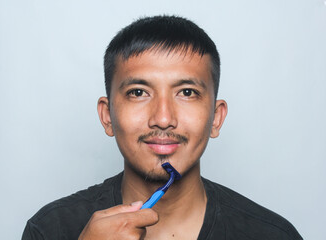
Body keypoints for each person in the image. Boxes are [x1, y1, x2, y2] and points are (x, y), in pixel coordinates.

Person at [22, 15, 303, 240]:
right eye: (138, 92)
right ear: (107, 116)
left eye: (187, 93)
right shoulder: (50, 230)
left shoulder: (273, 235)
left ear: (216, 118)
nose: (163, 118)